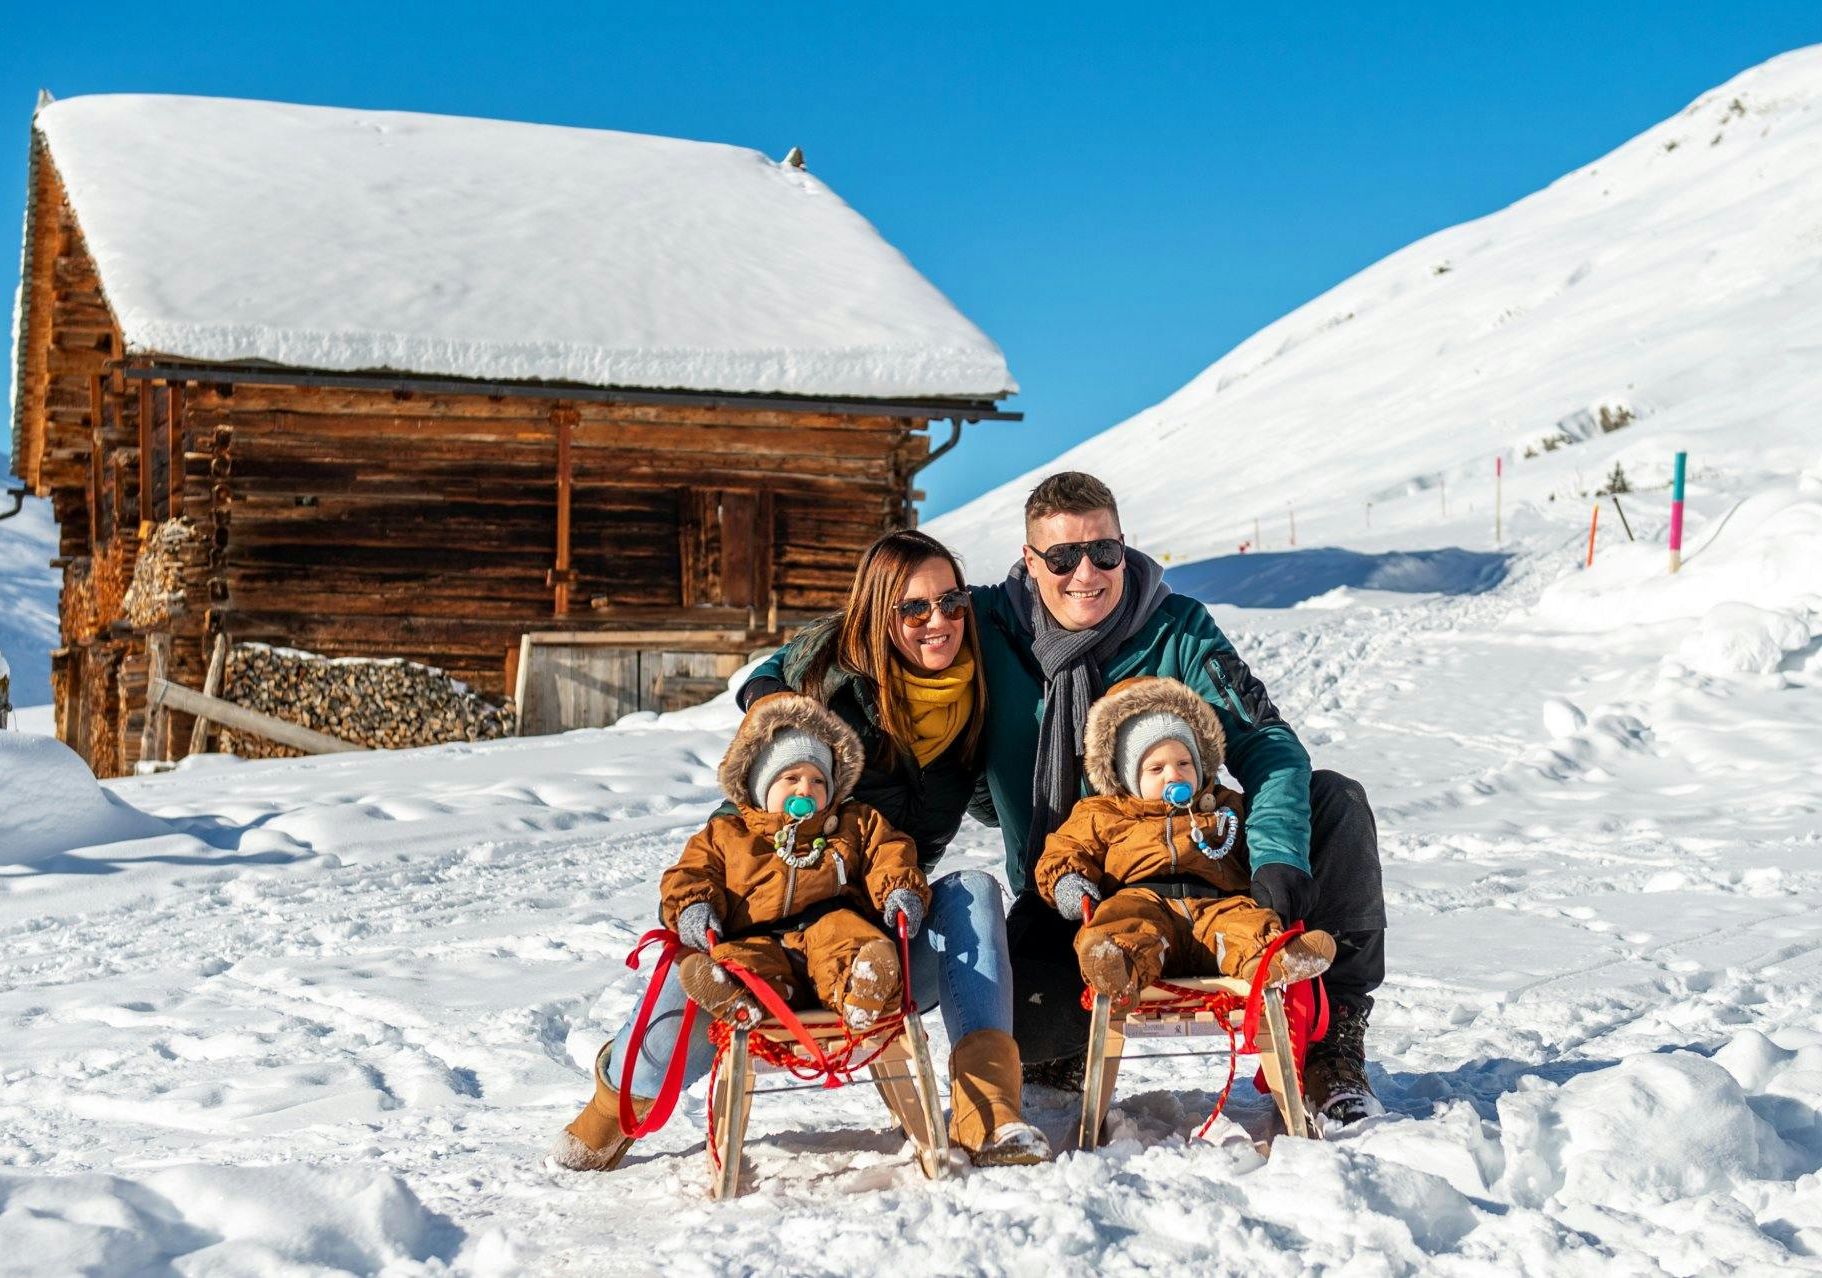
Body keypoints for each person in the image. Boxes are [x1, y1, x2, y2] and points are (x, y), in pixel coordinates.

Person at [555, 530, 1051, 1170]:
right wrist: (701, 908)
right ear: (877, 616)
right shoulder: (834, 689)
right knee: (687, 1013)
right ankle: (615, 1097)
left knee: (975, 892)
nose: (941, 621)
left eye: (952, 603)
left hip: (878, 944)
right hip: (764, 937)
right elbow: (741, 798)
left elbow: (1001, 798)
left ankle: (989, 1114)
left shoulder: (970, 705)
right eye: (914, 608)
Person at [974, 471, 1387, 1126]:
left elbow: (1270, 745)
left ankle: (1330, 1046)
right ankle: (1065, 1050)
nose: (1087, 572)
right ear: (1030, 561)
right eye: (1062, 557)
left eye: (1104, 551)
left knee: (1334, 800)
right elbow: (860, 640)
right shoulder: (986, 629)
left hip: (1204, 880)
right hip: (1072, 896)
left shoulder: (1178, 632)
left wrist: (1278, 857)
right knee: (1034, 1031)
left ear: (1124, 546)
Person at [1034, 676, 1334, 996]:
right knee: (1122, 921)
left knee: (1245, 923)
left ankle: (1273, 958)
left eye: (1183, 762)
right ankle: (1116, 963)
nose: (1174, 774)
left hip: (1217, 905)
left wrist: (1271, 868)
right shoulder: (1104, 813)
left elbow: (1255, 842)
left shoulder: (1223, 806)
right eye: (1156, 768)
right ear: (1127, 776)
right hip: (1143, 899)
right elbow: (1067, 849)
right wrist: (1067, 880)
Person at [663, 692, 929, 1030]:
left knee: (851, 940)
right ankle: (744, 999)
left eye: (818, 780)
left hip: (829, 925)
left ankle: (863, 989)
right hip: (757, 937)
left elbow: (889, 853)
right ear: (761, 786)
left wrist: (899, 889)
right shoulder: (728, 833)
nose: (806, 789)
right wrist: (694, 904)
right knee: (743, 961)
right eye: (791, 778)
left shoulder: (853, 823)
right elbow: (692, 871)